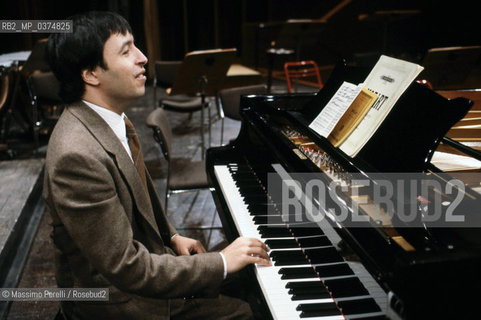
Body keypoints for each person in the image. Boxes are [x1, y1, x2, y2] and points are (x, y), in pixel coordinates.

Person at [43, 11, 271, 320]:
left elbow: (140, 202)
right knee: (249, 311)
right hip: (119, 302)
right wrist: (220, 262)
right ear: (91, 74)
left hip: (145, 267)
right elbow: (128, 268)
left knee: (255, 276)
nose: (143, 58)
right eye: (126, 51)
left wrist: (172, 236)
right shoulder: (77, 156)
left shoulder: (110, 119)